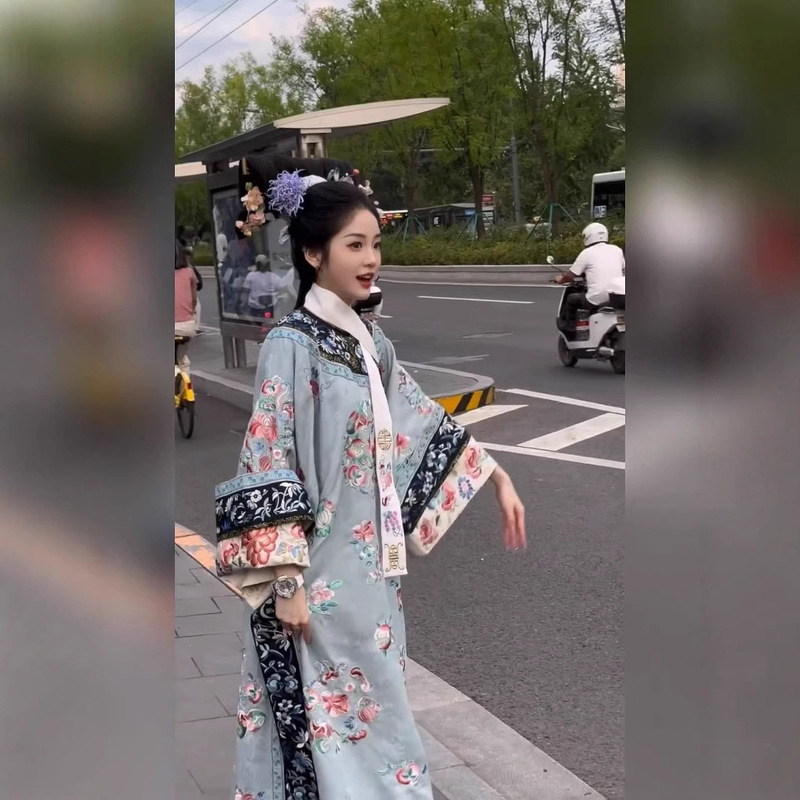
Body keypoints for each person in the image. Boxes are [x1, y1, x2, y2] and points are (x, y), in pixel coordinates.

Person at [214, 155, 527, 800]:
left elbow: (417, 419)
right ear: (313, 253)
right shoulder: (291, 345)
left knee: (372, 719)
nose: (371, 259)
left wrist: (493, 474)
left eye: (376, 243)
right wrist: (285, 584)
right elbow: (269, 459)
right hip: (317, 576)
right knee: (327, 726)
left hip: (373, 577)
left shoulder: (370, 343)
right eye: (354, 245)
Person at [555, 222, 625, 335]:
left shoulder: (586, 253)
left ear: (588, 236)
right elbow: (622, 269)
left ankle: (569, 329)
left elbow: (570, 276)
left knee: (572, 299)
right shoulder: (617, 250)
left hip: (597, 299)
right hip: (617, 297)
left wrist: (560, 279)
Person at [174, 239, 198, 373]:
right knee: (182, 359)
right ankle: (186, 382)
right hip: (186, 326)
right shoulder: (189, 272)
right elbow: (194, 300)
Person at [242, 255, 289, 319]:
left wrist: (242, 303)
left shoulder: (251, 275)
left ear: (257, 264)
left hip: (255, 308)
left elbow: (245, 290)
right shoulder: (273, 276)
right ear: (267, 265)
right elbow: (284, 287)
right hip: (271, 307)